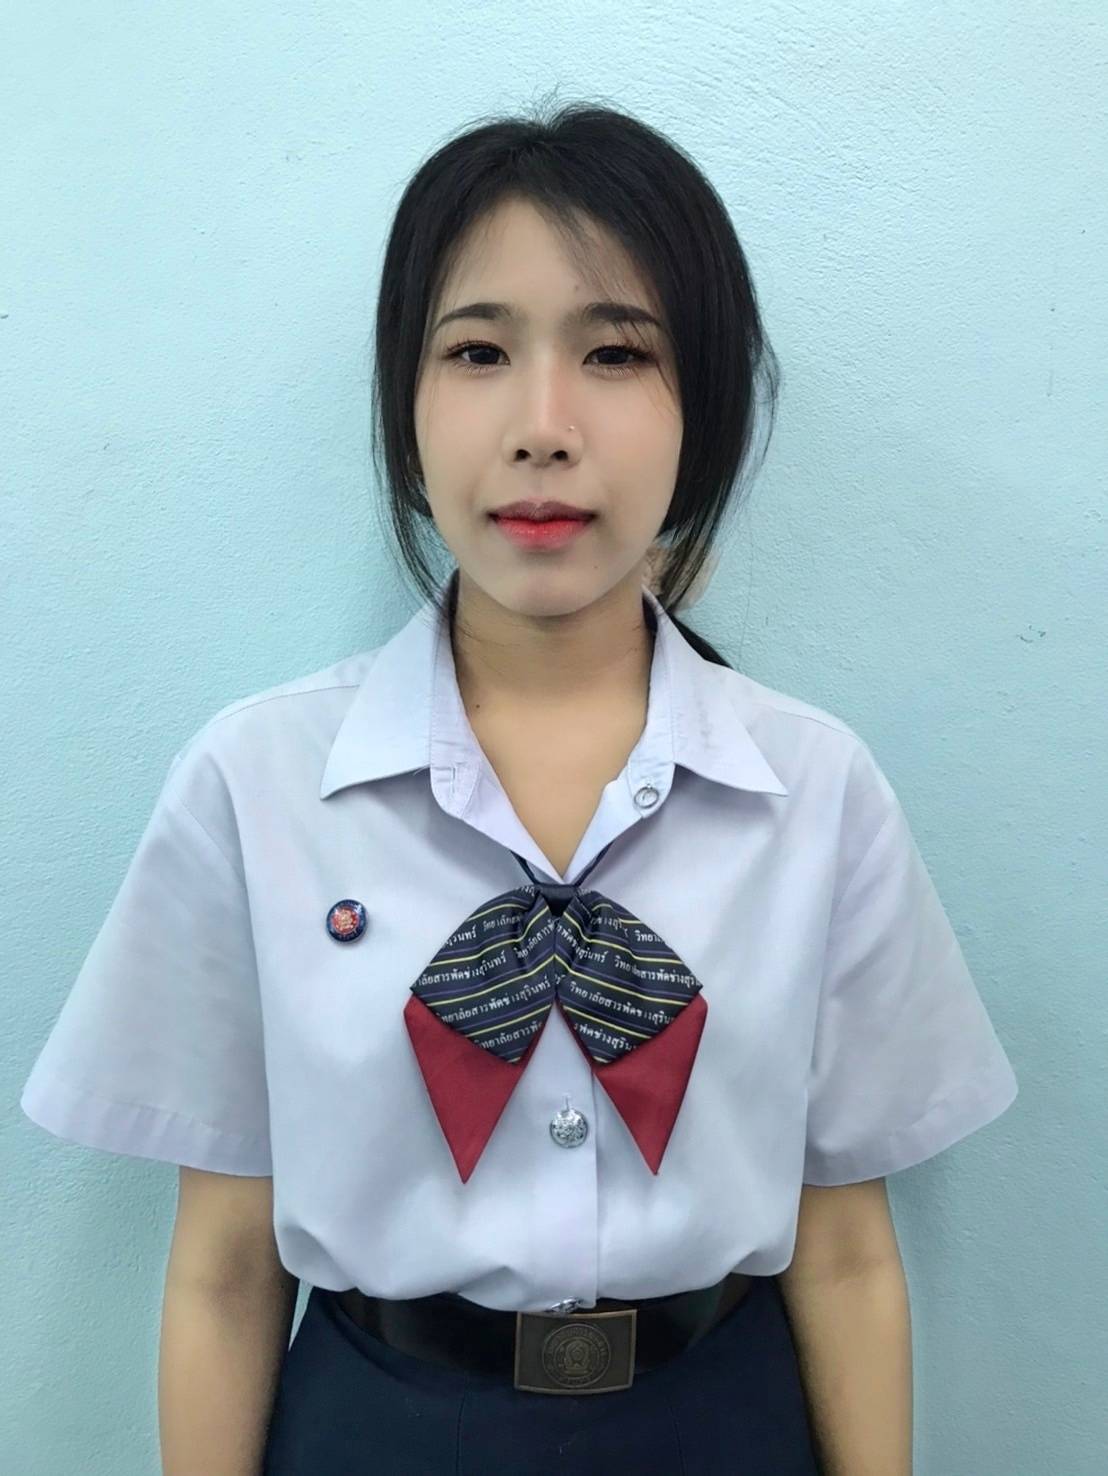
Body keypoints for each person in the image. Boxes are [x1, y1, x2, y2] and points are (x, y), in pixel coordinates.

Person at [20, 100, 1019, 1475]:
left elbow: (845, 1254)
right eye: (478, 351)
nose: (543, 427)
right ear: (406, 404)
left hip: (722, 1423)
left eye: (617, 353)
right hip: (374, 1427)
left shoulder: (815, 791)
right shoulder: (257, 787)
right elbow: (223, 1269)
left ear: (704, 408)